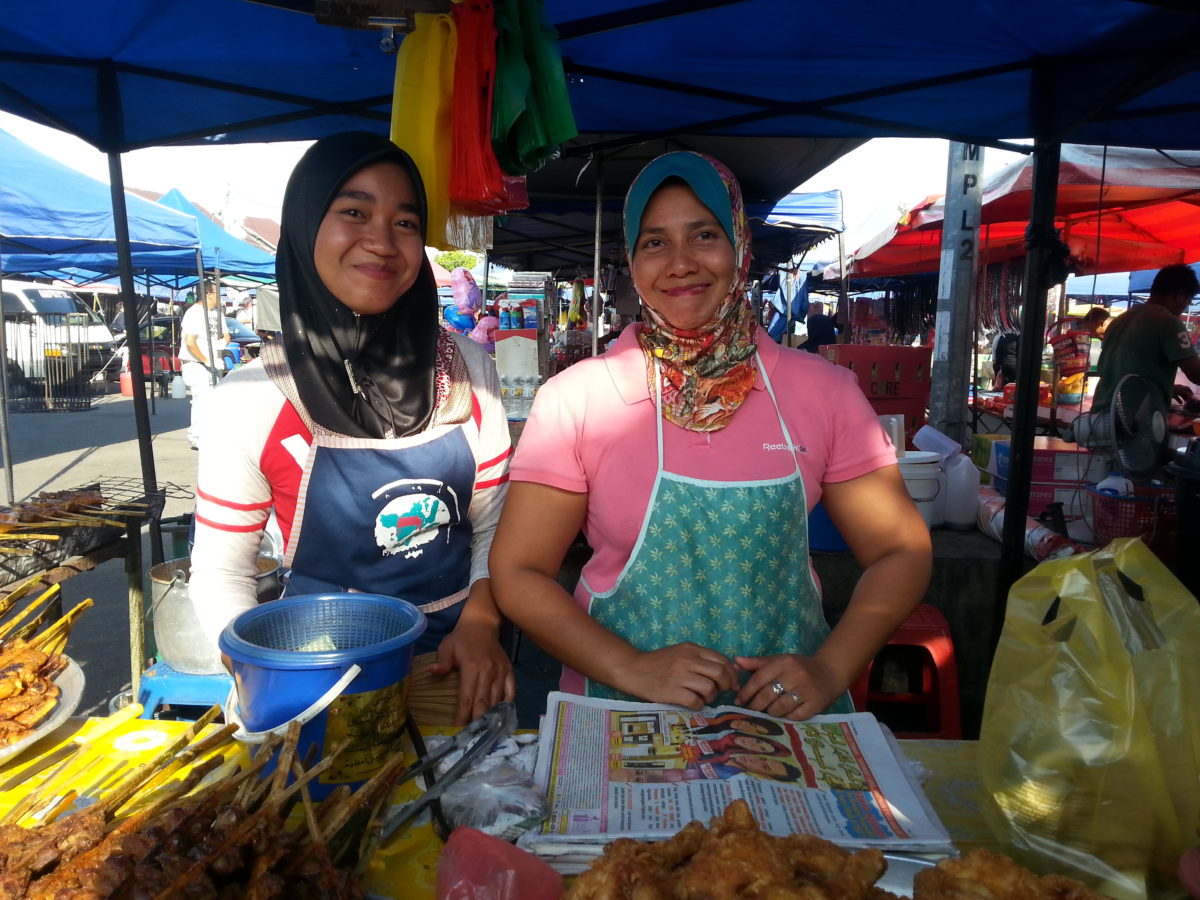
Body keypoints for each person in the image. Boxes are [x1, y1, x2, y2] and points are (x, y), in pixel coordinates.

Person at [489, 151, 931, 722]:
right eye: (654, 242)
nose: (679, 263)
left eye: (703, 235)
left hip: (787, 719)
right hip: (619, 716)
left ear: (740, 247)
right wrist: (631, 667)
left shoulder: (823, 392)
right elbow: (519, 571)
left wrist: (827, 668)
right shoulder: (578, 398)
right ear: (631, 259)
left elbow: (901, 550)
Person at [188, 132, 515, 726]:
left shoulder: (471, 372)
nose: (383, 242)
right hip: (315, 682)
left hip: (456, 666)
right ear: (306, 225)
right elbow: (221, 573)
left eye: (406, 222)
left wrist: (482, 622)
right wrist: (262, 681)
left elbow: (492, 525)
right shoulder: (251, 397)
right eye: (354, 212)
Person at [1092, 264, 1200, 410]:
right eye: (1188, 301)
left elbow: (1123, 370)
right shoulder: (1169, 322)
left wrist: (1168, 388)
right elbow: (1196, 373)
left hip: (1099, 416)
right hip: (1133, 422)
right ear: (1179, 295)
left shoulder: (1119, 320)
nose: (1185, 307)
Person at [179, 284, 230, 450]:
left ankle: (210, 433)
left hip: (212, 362)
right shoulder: (194, 313)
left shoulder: (217, 313)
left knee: (213, 399)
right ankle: (196, 436)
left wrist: (224, 342)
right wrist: (207, 360)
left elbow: (226, 334)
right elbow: (190, 342)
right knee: (202, 398)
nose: (220, 297)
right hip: (194, 363)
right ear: (208, 294)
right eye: (217, 293)